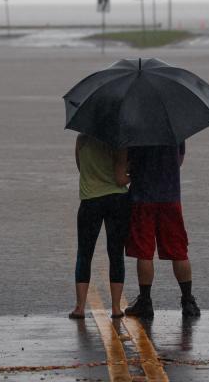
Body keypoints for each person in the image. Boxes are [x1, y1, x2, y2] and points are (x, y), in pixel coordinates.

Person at [124, 141, 200, 318]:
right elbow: (179, 160)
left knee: (144, 252)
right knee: (179, 250)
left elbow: (127, 163)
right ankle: (188, 301)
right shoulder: (174, 126)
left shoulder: (135, 125)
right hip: (170, 196)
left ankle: (145, 301)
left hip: (142, 196)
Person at [69, 133, 131, 320]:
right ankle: (115, 308)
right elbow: (121, 178)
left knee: (84, 254)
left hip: (90, 201)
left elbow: (81, 168)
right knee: (116, 254)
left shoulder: (82, 139)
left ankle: (80, 307)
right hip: (117, 201)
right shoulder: (119, 141)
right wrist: (133, 171)